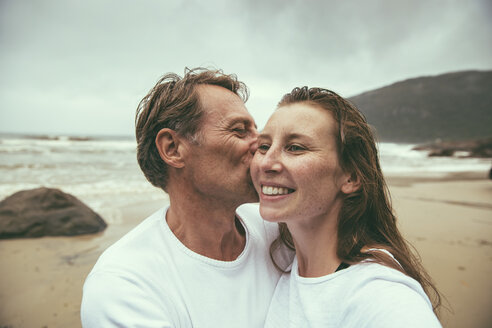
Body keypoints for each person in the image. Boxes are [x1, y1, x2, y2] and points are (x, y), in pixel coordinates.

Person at [81, 68, 289, 327]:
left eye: (256, 131)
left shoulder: (279, 231)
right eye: (239, 130)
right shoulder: (125, 284)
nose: (262, 145)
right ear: (173, 148)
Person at [250, 86, 442, 327]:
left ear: (350, 177)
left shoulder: (381, 295)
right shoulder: (282, 262)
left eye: (295, 147)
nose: (267, 163)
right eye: (264, 146)